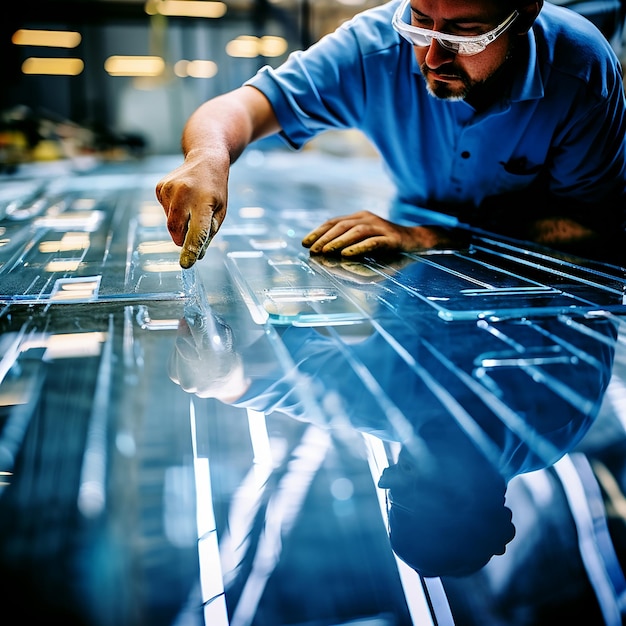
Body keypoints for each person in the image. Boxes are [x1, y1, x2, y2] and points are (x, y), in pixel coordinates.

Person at [156, 0, 626, 268]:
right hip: (410, 249)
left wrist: (425, 235)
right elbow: (245, 106)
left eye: (466, 34)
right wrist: (208, 157)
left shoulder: (579, 72)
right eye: (421, 21)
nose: (432, 57)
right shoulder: (375, 46)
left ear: (523, 14)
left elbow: (594, 228)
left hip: (531, 270)